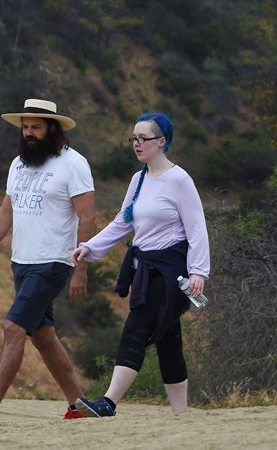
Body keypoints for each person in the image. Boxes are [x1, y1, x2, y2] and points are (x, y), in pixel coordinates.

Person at [0, 98, 97, 421]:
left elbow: (88, 219)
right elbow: (6, 212)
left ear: (53, 129)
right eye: (25, 127)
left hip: (53, 262)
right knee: (43, 336)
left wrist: (81, 270)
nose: (29, 133)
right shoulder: (18, 164)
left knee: (13, 328)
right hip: (21, 262)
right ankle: (78, 406)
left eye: (35, 127)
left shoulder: (73, 164)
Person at [71, 112, 210, 417]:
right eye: (133, 138)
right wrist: (89, 247)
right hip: (143, 267)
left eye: (143, 138)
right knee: (168, 340)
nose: (137, 143)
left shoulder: (179, 180)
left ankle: (108, 403)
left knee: (136, 330)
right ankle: (181, 412)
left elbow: (197, 227)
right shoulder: (139, 179)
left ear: (162, 142)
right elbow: (123, 222)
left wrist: (199, 270)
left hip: (170, 271)